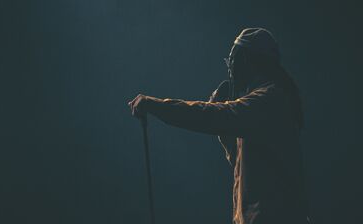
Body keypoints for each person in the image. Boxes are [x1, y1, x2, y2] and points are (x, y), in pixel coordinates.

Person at [128, 28, 310, 224]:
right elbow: (245, 170)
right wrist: (224, 132)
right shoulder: (261, 106)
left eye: (231, 60)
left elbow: (208, 117)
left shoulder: (268, 100)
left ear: (246, 60)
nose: (229, 68)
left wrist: (155, 105)